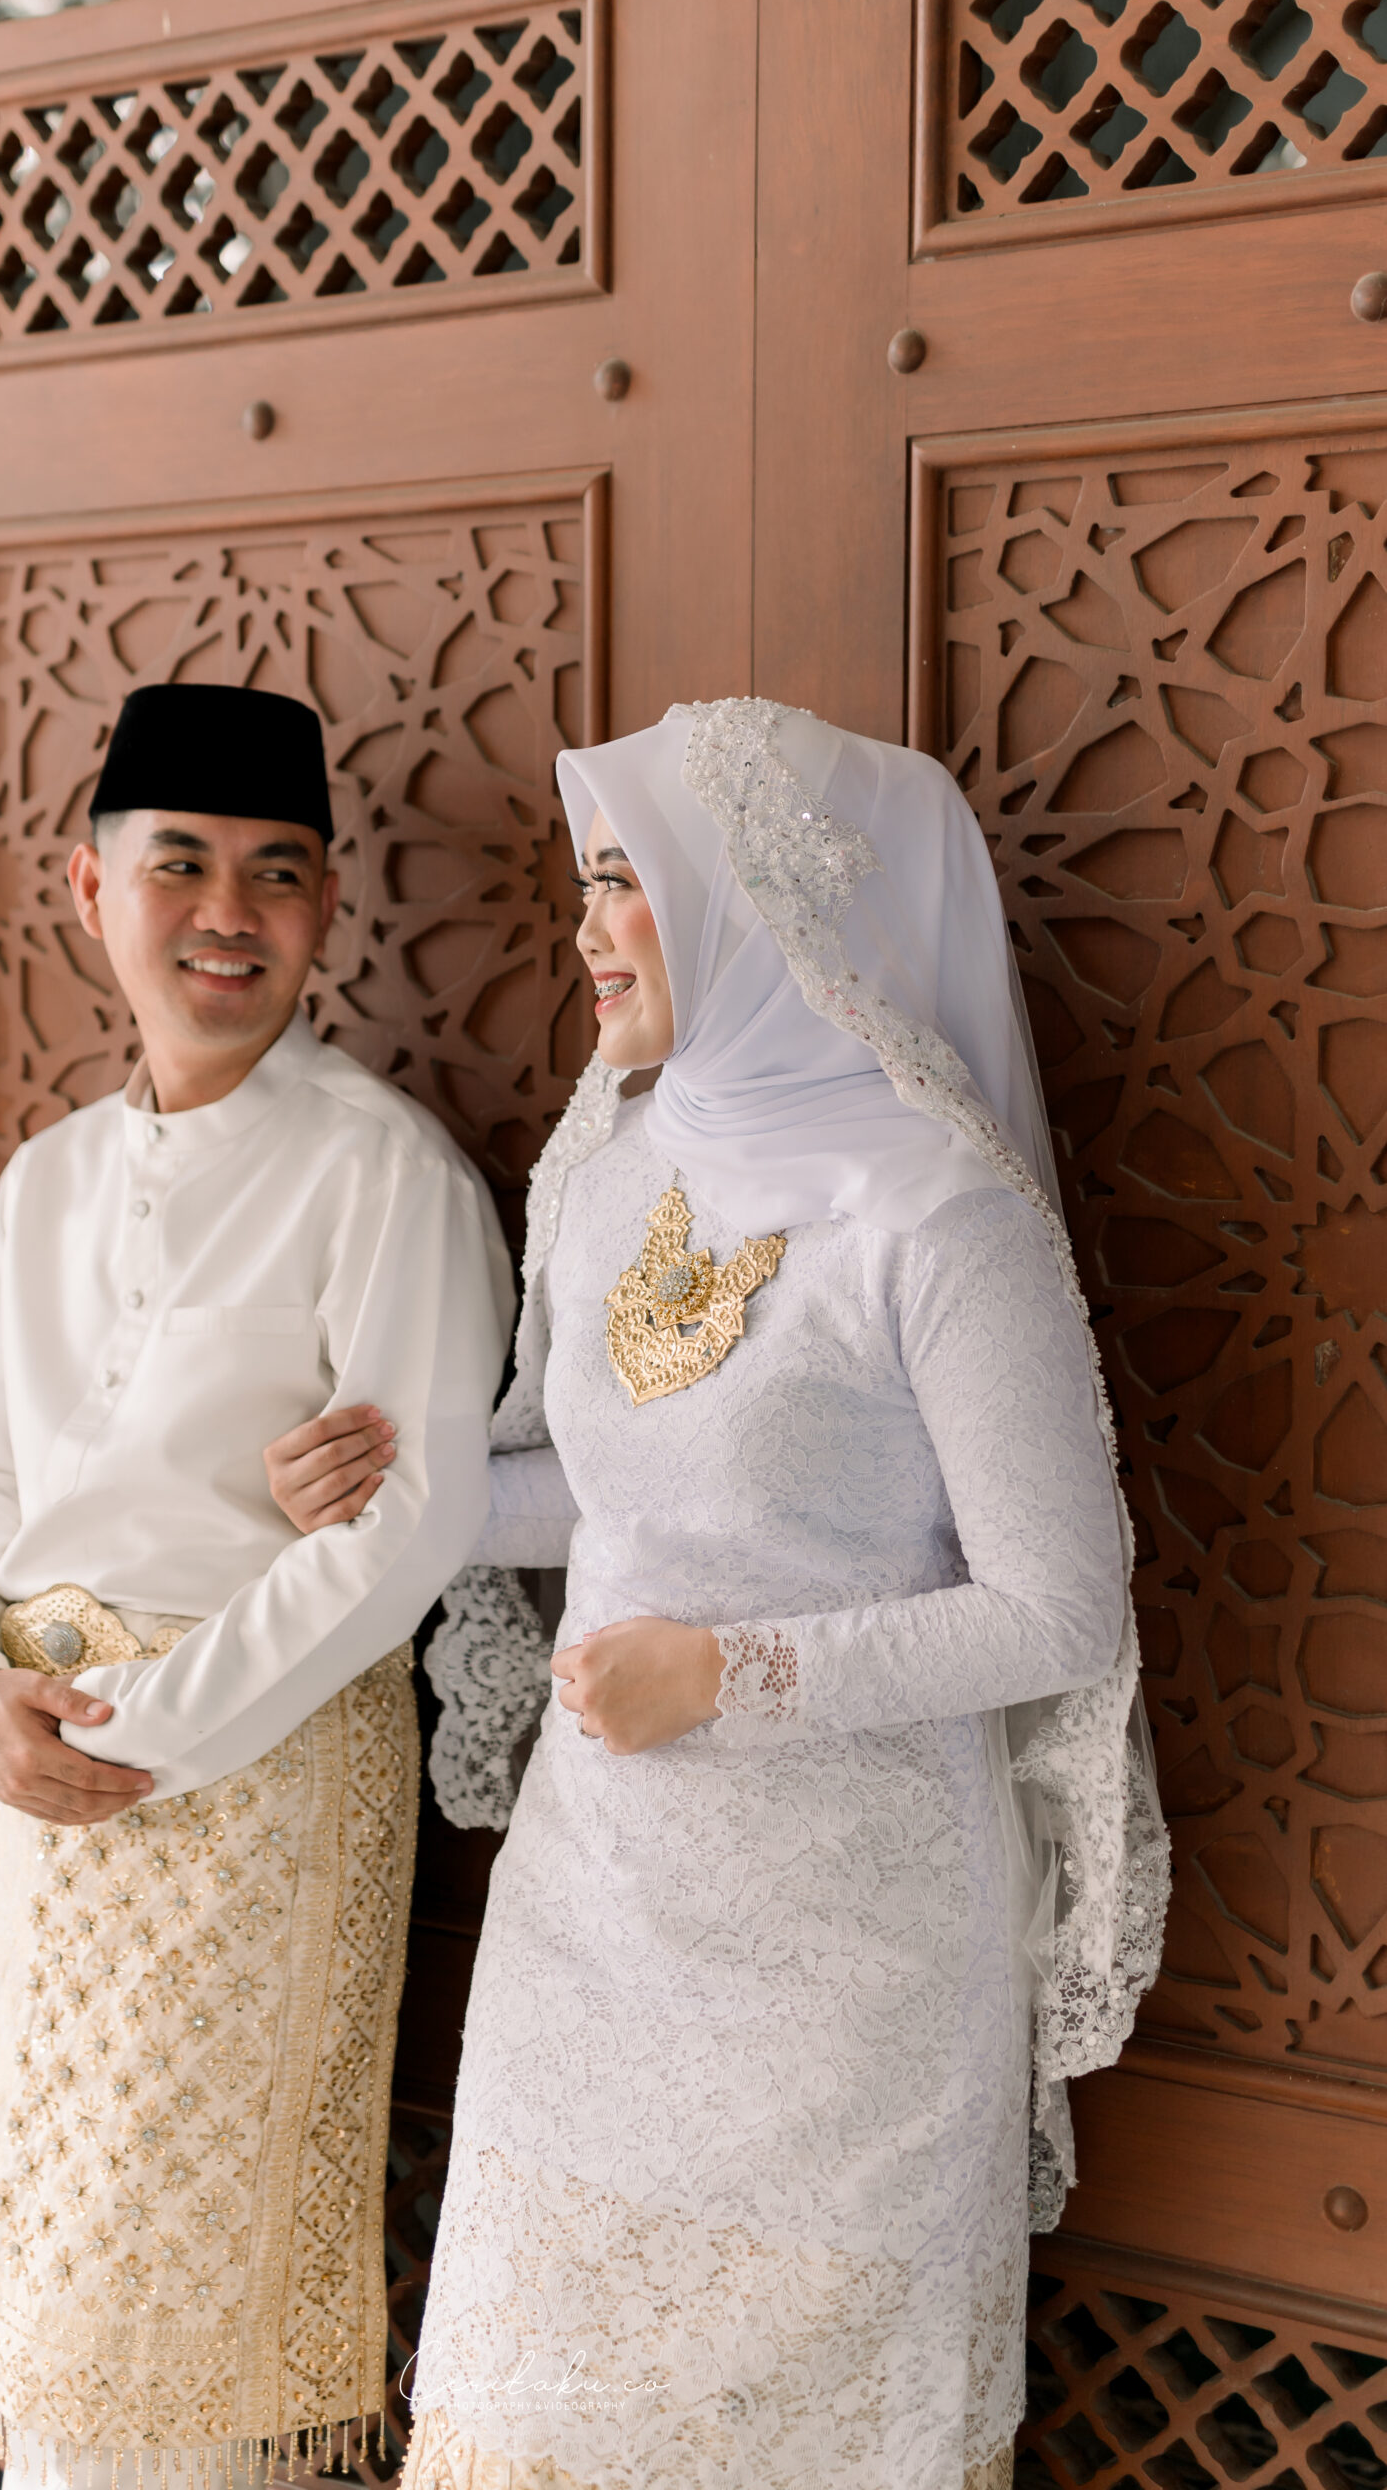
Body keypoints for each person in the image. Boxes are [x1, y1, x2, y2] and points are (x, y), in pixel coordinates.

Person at [282, 697, 1170, 2490]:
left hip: (851, 1973)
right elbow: (612, 1492)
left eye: (625, 883)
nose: (586, 930)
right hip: (593, 1921)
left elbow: (1059, 1610)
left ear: (758, 893)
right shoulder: (614, 1170)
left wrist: (732, 1678)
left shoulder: (940, 1221)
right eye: (585, 885)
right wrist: (400, 1500)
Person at [0, 683, 513, 2490]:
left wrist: (139, 1733)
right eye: (181, 865)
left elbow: (405, 1531)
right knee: (46, 2290)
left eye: (278, 872)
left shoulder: (384, 1173)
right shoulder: (51, 1179)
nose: (229, 913)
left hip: (249, 1785)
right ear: (92, 891)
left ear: (327, 910)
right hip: (41, 1780)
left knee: (167, 2332)